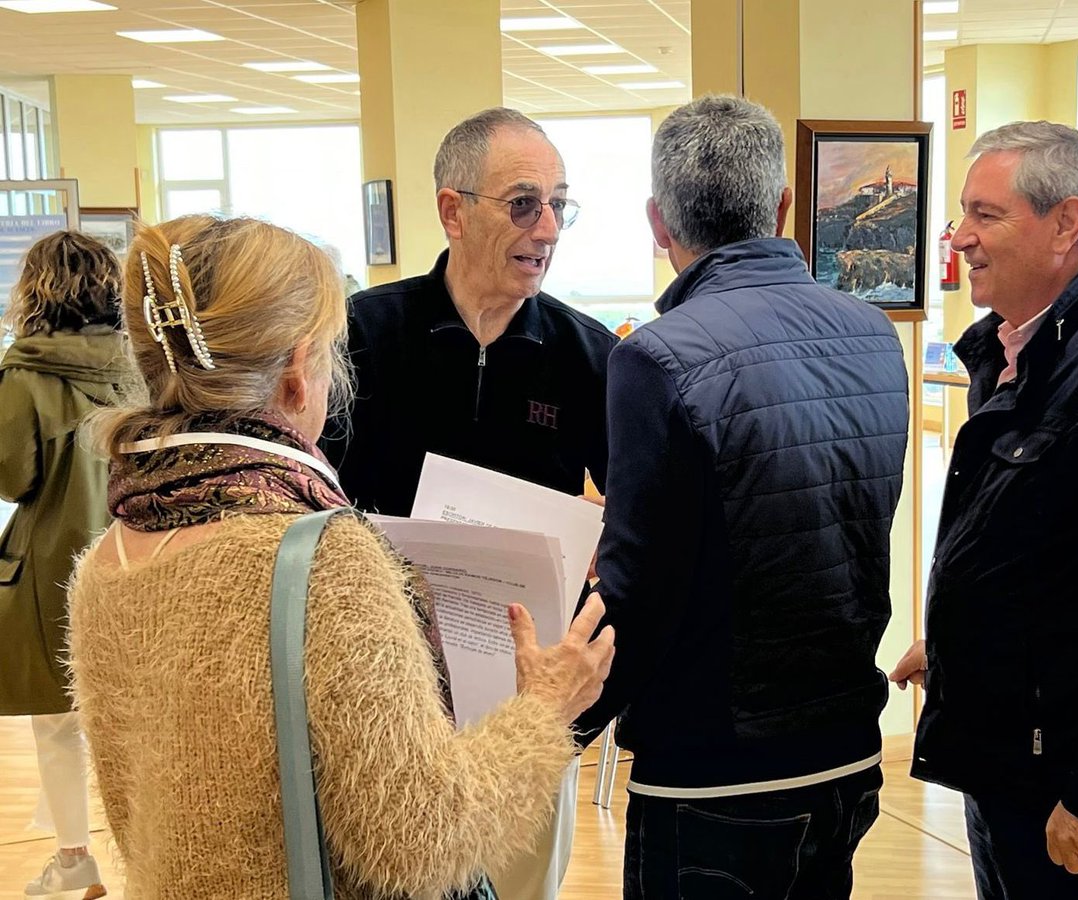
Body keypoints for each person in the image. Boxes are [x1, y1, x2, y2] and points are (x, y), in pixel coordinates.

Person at [67, 214, 616, 900]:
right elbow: (421, 840)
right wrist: (546, 708)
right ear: (299, 373)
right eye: (330, 352)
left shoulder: (108, 559)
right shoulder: (321, 562)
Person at [572, 95, 910, 899]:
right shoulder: (873, 334)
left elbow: (638, 586)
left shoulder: (655, 359)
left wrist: (559, 716)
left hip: (714, 771)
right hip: (846, 750)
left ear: (659, 224)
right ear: (784, 205)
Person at [890, 121, 1078, 900]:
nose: (959, 238)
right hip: (1014, 760)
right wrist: (964, 645)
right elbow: (1040, 550)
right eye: (963, 214)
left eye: (985, 216)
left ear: (1066, 223)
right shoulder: (1021, 350)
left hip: (1066, 784)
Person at [322, 107, 617, 900]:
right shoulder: (360, 336)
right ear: (453, 210)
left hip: (524, 691)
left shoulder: (590, 356)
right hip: (386, 687)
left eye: (560, 202)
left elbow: (634, 521)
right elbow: (312, 500)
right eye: (524, 203)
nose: (548, 226)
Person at [0, 230, 131, 900]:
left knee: (57, 721)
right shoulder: (141, 367)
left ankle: (76, 860)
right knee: (136, 714)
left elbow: (10, 477)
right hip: (139, 553)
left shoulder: (21, 377)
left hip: (54, 559)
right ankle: (148, 852)